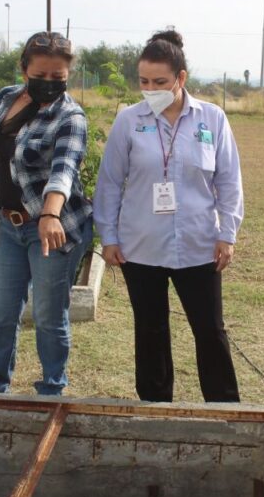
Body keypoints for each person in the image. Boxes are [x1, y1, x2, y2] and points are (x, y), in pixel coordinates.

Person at [93, 30, 244, 403]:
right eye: (144, 81)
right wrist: (109, 237)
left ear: (181, 78)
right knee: (150, 330)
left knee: (210, 329)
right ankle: (155, 407)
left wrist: (227, 233)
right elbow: (110, 183)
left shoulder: (212, 119)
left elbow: (229, 180)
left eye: (159, 82)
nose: (150, 88)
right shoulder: (128, 121)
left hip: (198, 245)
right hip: (140, 247)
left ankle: (224, 408)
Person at [0, 32, 93, 396]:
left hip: (54, 230)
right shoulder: (4, 100)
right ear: (24, 70)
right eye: (42, 75)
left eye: (59, 78)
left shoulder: (71, 116)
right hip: (10, 226)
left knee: (49, 318)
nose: (50, 84)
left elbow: (63, 171)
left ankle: (52, 390)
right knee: (2, 314)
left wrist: (50, 215)